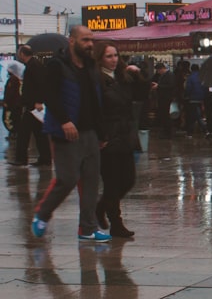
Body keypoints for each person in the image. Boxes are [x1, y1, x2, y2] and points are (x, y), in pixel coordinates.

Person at [31, 25, 111, 242]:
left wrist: (102, 133)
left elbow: (96, 101)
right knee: (67, 179)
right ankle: (42, 214)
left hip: (90, 132)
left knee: (91, 181)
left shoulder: (90, 66)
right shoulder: (57, 65)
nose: (90, 44)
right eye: (85, 40)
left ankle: (87, 228)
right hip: (66, 132)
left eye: (91, 40)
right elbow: (50, 95)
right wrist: (64, 121)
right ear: (72, 41)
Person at [93, 41, 148, 238]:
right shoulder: (96, 79)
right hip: (108, 135)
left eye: (116, 55)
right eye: (109, 56)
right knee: (112, 182)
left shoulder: (122, 77)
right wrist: (101, 135)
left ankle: (101, 207)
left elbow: (141, 94)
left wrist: (138, 75)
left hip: (125, 133)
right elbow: (94, 110)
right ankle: (116, 223)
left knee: (128, 180)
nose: (114, 60)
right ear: (100, 58)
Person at [12, 45, 52, 167]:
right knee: (39, 133)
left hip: (33, 106)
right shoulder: (32, 65)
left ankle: (21, 158)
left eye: (19, 53)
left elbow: (41, 85)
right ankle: (45, 159)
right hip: (32, 105)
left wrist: (39, 101)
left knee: (23, 133)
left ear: (22, 54)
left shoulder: (34, 66)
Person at [150, 62, 176, 138]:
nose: (158, 72)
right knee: (164, 115)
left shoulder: (169, 75)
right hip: (162, 98)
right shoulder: (164, 75)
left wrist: (158, 86)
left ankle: (168, 132)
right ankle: (165, 131)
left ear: (161, 69)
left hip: (166, 98)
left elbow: (171, 85)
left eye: (158, 70)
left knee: (166, 115)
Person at [184, 64, 209, 137]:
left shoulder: (190, 78)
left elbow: (188, 88)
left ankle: (204, 130)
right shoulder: (203, 77)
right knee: (198, 115)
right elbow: (205, 87)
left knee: (194, 116)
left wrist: (187, 95)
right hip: (202, 98)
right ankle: (204, 130)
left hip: (193, 98)